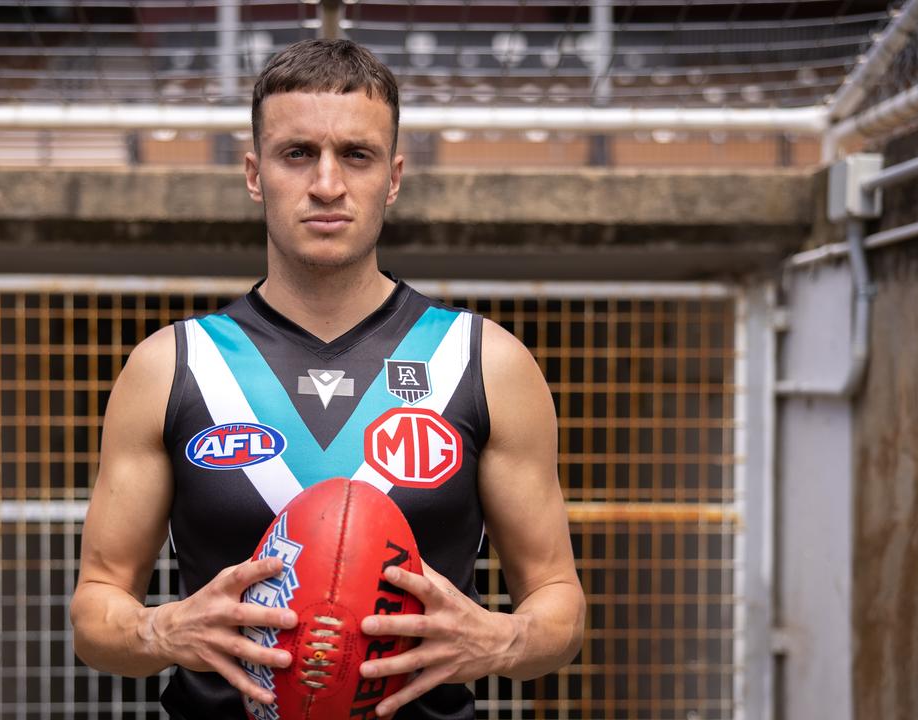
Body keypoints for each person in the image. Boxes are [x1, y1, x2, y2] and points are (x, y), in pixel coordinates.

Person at [71, 38, 585, 719]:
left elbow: (558, 599)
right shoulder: (175, 364)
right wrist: (158, 628)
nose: (326, 184)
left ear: (394, 177)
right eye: (297, 154)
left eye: (356, 155)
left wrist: (508, 638)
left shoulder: (482, 360)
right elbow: (96, 606)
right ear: (254, 173)